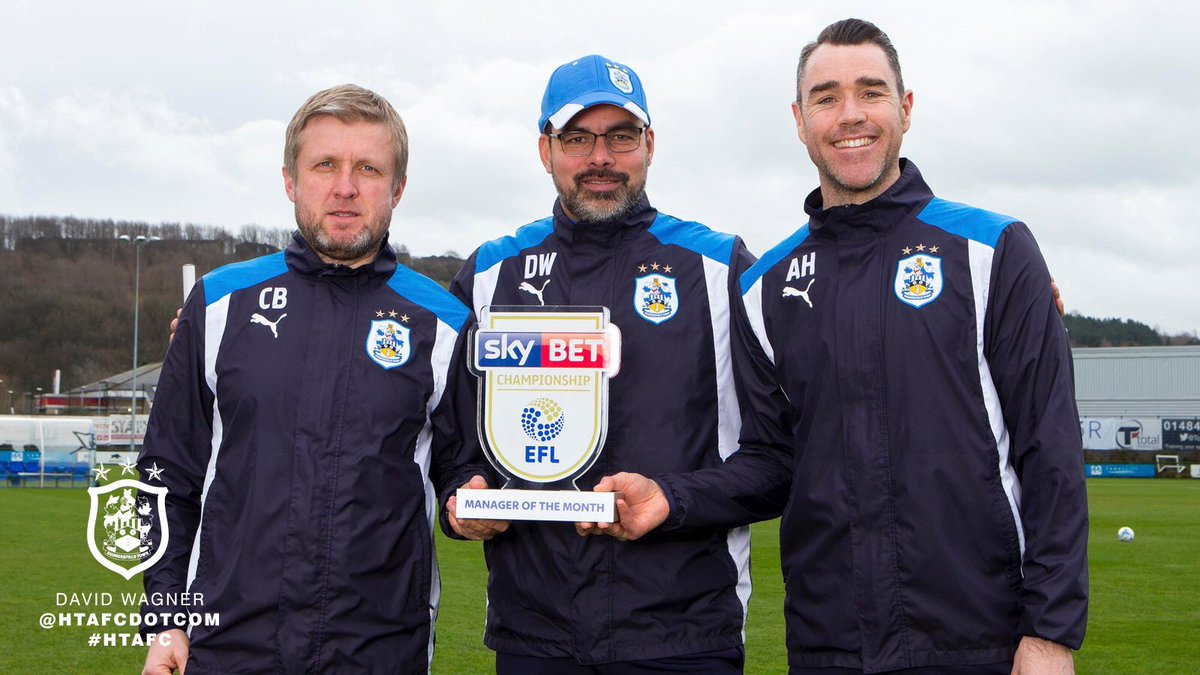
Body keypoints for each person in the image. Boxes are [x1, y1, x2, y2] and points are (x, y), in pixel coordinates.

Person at [587, 19, 1088, 674]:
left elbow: (1050, 450)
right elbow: (770, 460)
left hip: (978, 642)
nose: (850, 114)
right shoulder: (765, 285)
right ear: (800, 120)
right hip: (829, 647)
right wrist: (671, 498)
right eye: (826, 97)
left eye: (871, 92)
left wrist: (1050, 633)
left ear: (905, 109)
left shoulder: (994, 252)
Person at [138, 84, 487, 674]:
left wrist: (471, 499)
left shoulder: (446, 324)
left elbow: (462, 468)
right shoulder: (218, 303)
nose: (345, 187)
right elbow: (164, 474)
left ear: (397, 188)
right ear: (290, 180)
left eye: (368, 169)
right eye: (325, 164)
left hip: (380, 652)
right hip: (226, 649)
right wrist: (165, 619)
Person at [444, 55, 765, 672]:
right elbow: (449, 448)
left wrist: (671, 499)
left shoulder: (720, 268)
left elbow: (777, 458)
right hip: (532, 639)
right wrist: (463, 503)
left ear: (650, 145)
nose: (600, 158)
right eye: (578, 138)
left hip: (685, 639)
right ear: (546, 149)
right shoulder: (490, 273)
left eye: (621, 137)